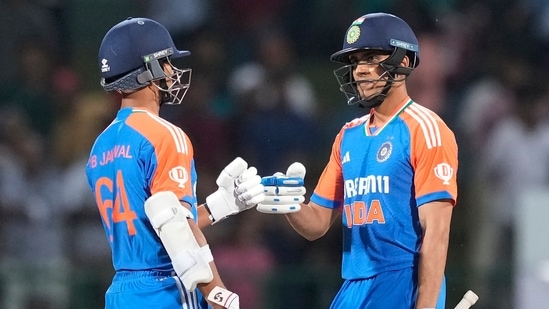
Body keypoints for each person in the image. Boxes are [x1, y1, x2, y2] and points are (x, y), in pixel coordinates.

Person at [258, 12, 458, 309]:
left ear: (402, 61)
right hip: (353, 284)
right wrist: (290, 204)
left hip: (402, 280)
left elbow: (437, 232)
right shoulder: (347, 135)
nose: (359, 70)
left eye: (370, 58)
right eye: (355, 62)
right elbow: (316, 223)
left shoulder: (426, 129)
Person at [85, 17, 264, 309]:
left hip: (122, 291)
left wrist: (220, 206)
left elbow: (154, 222)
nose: (172, 71)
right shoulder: (166, 134)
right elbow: (175, 228)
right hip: (166, 286)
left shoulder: (100, 145)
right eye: (166, 62)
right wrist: (217, 293)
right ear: (149, 70)